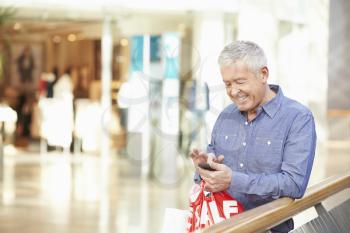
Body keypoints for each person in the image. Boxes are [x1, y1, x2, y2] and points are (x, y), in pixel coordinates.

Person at [190, 41, 316, 233]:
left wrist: (233, 180)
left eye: (240, 82)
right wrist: (205, 168)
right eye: (227, 84)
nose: (233, 91)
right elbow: (208, 175)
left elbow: (294, 184)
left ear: (263, 74)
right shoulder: (226, 116)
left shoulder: (298, 118)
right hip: (221, 226)